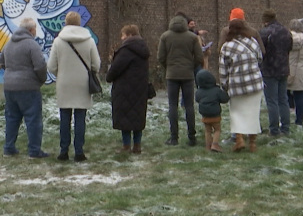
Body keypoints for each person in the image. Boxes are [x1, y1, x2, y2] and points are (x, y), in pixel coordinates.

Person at [48, 11, 101, 162]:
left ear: (65, 22)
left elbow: (51, 66)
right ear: (80, 23)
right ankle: (79, 152)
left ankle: (63, 151)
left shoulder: (58, 41)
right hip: (82, 83)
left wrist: (62, 72)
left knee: (64, 118)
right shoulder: (89, 40)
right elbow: (96, 64)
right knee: (80, 118)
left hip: (64, 83)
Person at [0, 17, 49, 158]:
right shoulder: (31, 45)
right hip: (28, 87)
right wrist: (41, 80)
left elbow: (2, 63)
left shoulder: (8, 44)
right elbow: (40, 66)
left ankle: (9, 148)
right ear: (31, 30)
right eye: (35, 29)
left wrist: (11, 75)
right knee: (33, 119)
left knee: (12, 118)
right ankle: (34, 151)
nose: (35, 31)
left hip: (9, 87)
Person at [158, 15, 204, 146]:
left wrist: (168, 67)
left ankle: (174, 138)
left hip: (171, 75)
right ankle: (192, 137)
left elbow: (160, 56)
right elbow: (199, 57)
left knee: (173, 105)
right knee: (189, 106)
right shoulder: (192, 37)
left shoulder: (165, 36)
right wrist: (191, 66)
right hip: (188, 74)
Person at [219, 19, 263, 152]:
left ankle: (239, 140)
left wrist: (224, 85)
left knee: (237, 114)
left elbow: (223, 69)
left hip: (237, 85)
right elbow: (259, 58)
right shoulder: (253, 42)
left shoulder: (227, 46)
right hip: (255, 83)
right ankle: (253, 144)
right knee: (253, 114)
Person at [105, 24, 150, 154]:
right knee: (137, 116)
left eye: (123, 35)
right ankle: (137, 145)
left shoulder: (126, 50)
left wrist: (109, 75)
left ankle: (126, 146)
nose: (121, 37)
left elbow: (115, 70)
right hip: (140, 89)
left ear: (130, 35)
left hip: (124, 89)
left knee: (125, 117)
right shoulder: (144, 50)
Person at [259, 9, 293, 136]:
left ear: (265, 20)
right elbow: (290, 47)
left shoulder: (265, 32)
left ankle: (274, 130)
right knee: (283, 99)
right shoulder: (286, 31)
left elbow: (260, 50)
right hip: (284, 68)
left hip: (269, 70)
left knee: (272, 101)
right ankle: (285, 128)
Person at [194, 69, 229, 153]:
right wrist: (225, 91)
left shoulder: (199, 92)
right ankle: (215, 144)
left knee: (207, 131)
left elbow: (197, 100)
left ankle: (208, 146)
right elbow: (224, 99)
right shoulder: (216, 90)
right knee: (217, 130)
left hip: (205, 115)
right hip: (215, 115)